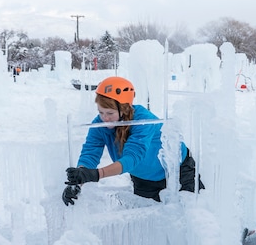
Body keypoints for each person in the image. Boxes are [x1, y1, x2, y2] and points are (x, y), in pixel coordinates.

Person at [62, 76, 204, 206]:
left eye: (110, 113)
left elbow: (132, 158)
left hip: (179, 173)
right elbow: (90, 154)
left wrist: (96, 174)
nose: (104, 118)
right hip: (144, 179)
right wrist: (78, 180)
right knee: (152, 224)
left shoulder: (144, 120)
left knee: (189, 215)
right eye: (101, 112)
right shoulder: (100, 125)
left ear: (124, 108)